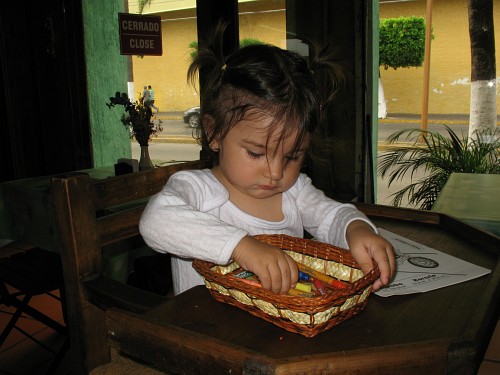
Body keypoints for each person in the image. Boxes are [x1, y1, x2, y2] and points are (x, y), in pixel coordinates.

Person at [139, 27, 395, 297]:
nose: (275, 173)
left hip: (281, 327)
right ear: (214, 133)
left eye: (292, 157)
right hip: (206, 330)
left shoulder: (295, 191)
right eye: (256, 153)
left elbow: (331, 215)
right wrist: (240, 246)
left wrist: (356, 228)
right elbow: (155, 221)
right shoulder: (197, 189)